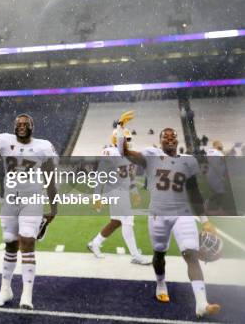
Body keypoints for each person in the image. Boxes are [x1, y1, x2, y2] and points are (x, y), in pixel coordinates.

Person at [116, 111, 220, 318]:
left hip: (183, 214)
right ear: (160, 141)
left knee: (190, 253)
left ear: (177, 140)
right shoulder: (151, 156)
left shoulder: (188, 161)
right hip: (158, 215)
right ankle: (160, 283)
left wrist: (205, 222)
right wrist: (120, 128)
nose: (170, 139)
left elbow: (194, 192)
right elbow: (124, 152)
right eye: (166, 137)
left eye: (173, 136)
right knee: (159, 254)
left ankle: (201, 303)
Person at [0, 113, 57, 310]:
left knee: (27, 240)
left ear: (32, 126)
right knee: (10, 242)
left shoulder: (44, 146)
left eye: (26, 124)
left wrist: (54, 207)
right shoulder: (4, 140)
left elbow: (51, 178)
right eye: (18, 123)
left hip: (32, 198)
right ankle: (5, 290)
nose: (21, 126)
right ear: (14, 126)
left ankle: (26, 295)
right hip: (10, 199)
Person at [87, 127, 151, 265]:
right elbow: (100, 175)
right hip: (114, 191)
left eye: (129, 139)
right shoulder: (110, 152)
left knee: (116, 222)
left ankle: (95, 243)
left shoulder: (130, 156)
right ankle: (135, 255)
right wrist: (97, 196)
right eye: (125, 139)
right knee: (128, 220)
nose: (128, 142)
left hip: (123, 191)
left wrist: (134, 192)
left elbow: (131, 178)